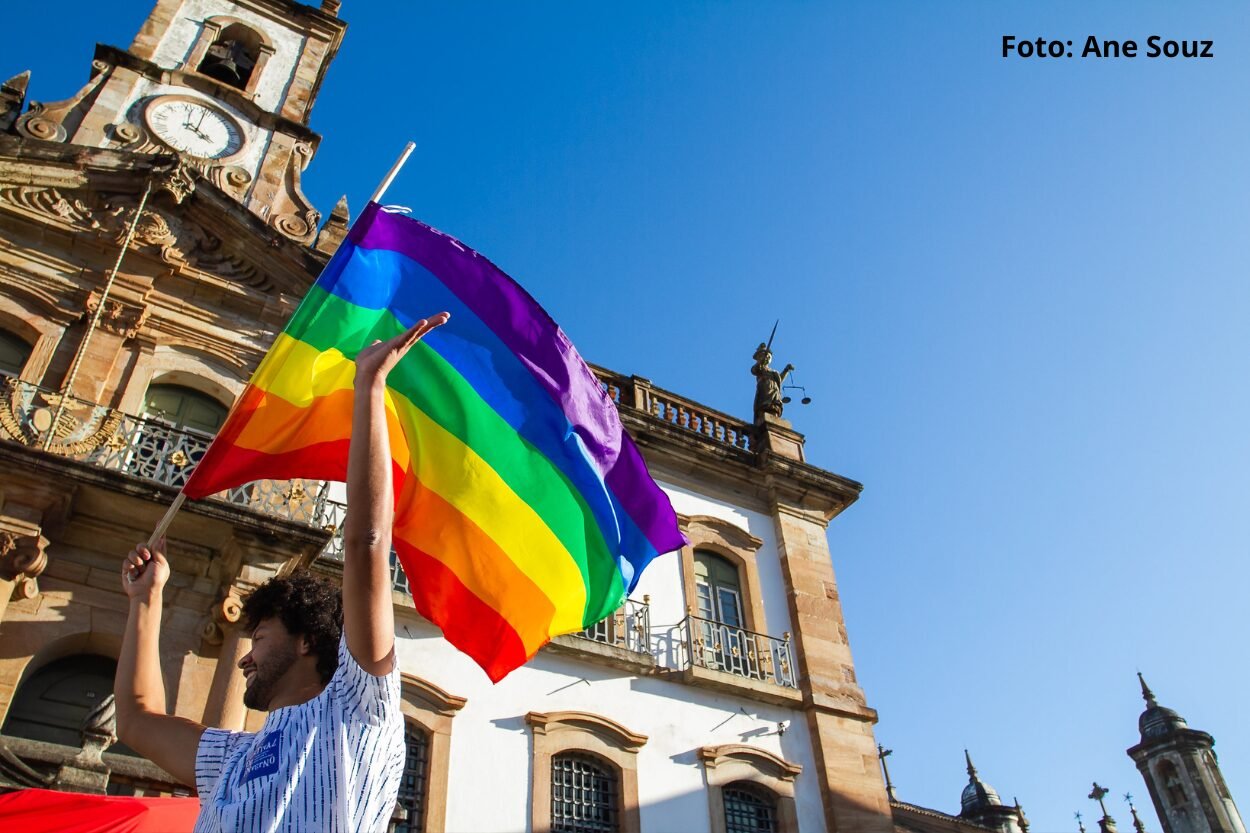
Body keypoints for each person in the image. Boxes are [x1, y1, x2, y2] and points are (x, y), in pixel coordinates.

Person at [114, 312, 450, 832]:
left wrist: (368, 387)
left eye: (260, 636)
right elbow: (137, 720)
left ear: (305, 642)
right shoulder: (230, 761)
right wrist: (146, 600)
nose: (245, 659)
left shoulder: (357, 713)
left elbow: (365, 543)